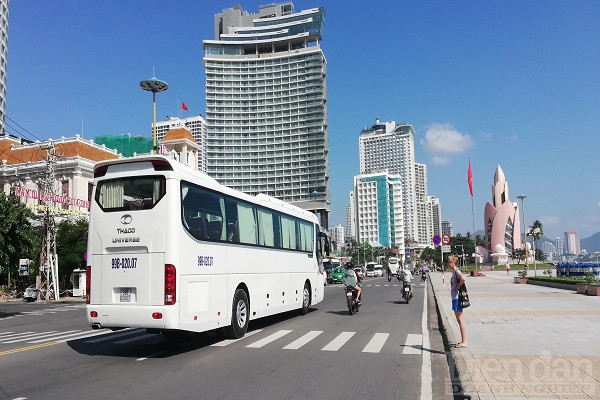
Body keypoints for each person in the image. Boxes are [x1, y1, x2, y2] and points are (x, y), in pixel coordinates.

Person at [449, 255, 467, 348]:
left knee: (460, 320)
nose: (449, 264)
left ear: (453, 262)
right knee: (459, 320)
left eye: (450, 262)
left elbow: (463, 278)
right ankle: (463, 341)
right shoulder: (454, 272)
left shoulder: (457, 271)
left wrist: (458, 285)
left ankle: (464, 342)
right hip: (454, 298)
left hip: (457, 298)